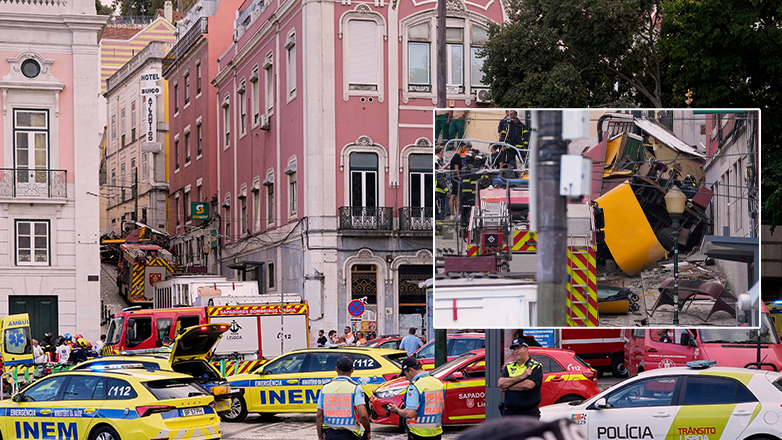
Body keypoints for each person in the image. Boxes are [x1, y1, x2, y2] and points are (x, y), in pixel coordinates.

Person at [387, 357, 444, 440]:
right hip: (436, 432)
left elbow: (409, 413)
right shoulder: (437, 382)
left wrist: (396, 410)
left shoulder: (415, 386)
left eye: (405, 374)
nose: (406, 378)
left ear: (411, 370)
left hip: (418, 433)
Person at [316, 356, 371, 440]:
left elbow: (319, 415)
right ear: (352, 370)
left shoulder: (325, 388)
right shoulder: (355, 388)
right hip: (350, 435)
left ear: (336, 369)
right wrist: (368, 431)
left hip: (330, 434)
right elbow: (363, 415)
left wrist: (320, 436)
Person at [498, 339, 543, 418]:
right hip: (510, 412)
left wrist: (508, 387)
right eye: (514, 349)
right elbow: (500, 383)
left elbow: (527, 385)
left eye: (518, 348)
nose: (516, 351)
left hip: (529, 413)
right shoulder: (509, 366)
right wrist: (522, 376)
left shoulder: (535, 366)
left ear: (526, 349)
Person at [448, 142, 468, 221]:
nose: (465, 149)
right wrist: (459, 178)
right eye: (464, 147)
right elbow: (456, 168)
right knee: (456, 196)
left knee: (454, 195)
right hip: (456, 179)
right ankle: (456, 214)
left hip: (454, 178)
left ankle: (454, 214)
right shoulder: (457, 156)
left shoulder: (455, 156)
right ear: (460, 147)